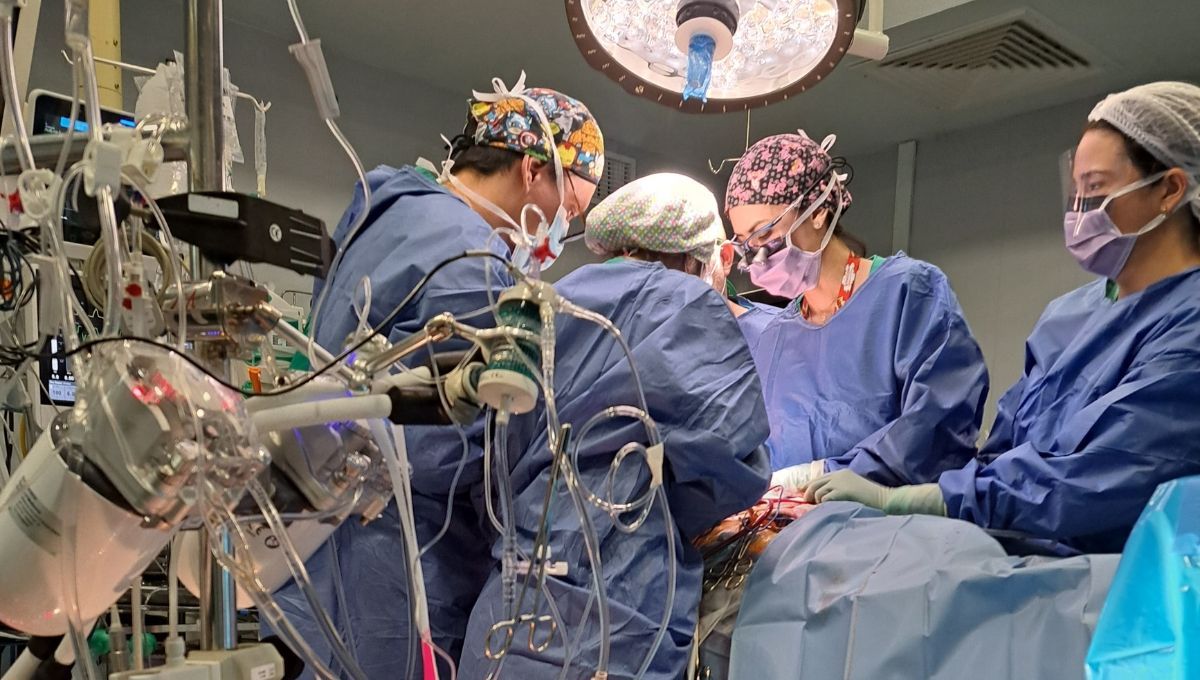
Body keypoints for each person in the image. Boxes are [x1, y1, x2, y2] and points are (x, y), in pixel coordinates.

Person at [269, 78, 605, 678]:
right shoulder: (472, 262)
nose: (560, 232)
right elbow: (460, 454)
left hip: (304, 547)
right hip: (391, 566)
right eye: (570, 211)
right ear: (532, 170)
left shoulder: (384, 210)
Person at [800, 81, 1200, 554]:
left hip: (1113, 580)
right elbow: (1001, 453)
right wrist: (947, 506)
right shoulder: (1069, 316)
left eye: (1094, 189)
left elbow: (1105, 475)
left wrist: (911, 499)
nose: (1078, 211)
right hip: (1011, 555)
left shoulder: (1188, 323)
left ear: (1170, 189)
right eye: (1075, 190)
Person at [458, 173, 771, 679]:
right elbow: (734, 464)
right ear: (699, 255)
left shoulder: (547, 300)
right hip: (614, 614)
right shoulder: (688, 302)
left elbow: (491, 458)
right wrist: (664, 503)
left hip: (508, 608)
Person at [725, 132, 988, 489]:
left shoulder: (909, 292)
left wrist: (823, 476)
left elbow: (937, 428)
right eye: (745, 243)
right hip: (791, 521)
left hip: (893, 519)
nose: (756, 256)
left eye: (763, 233)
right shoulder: (776, 338)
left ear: (818, 211)